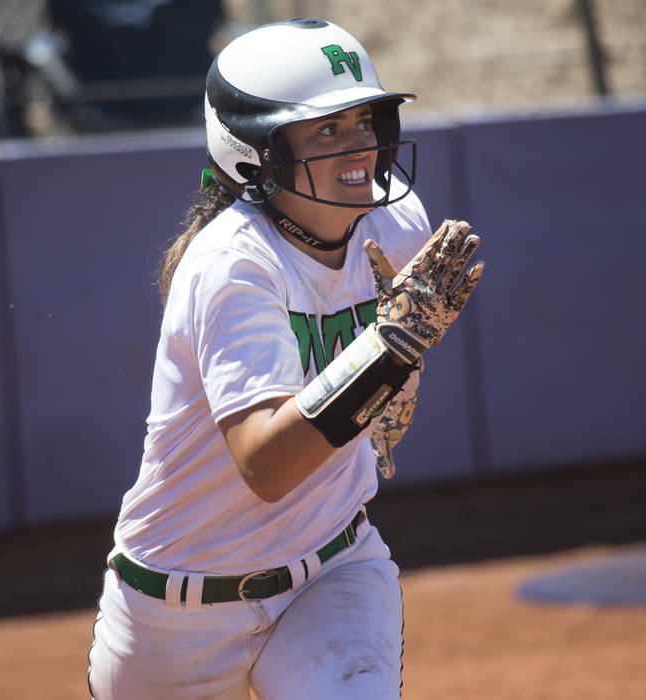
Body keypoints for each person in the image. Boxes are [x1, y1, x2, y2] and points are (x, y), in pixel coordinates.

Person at [87, 18, 483, 699]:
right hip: (177, 610)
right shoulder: (232, 266)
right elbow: (267, 465)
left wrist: (385, 388)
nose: (359, 144)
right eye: (326, 129)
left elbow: (378, 384)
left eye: (364, 120)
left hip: (333, 571)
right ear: (257, 152)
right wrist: (389, 353)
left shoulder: (398, 224)